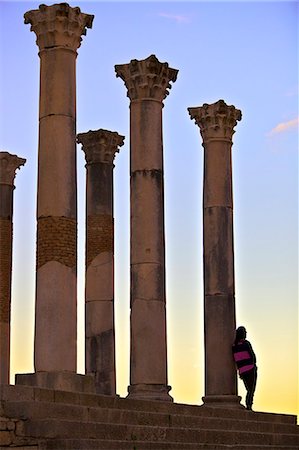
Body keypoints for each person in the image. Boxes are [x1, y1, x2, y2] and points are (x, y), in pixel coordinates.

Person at [232, 326, 257, 410]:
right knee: (251, 390)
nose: (246, 334)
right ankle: (249, 405)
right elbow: (253, 356)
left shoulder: (234, 346)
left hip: (242, 371)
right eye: (245, 332)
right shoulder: (246, 343)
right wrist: (254, 365)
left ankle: (249, 404)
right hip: (250, 368)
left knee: (248, 389)